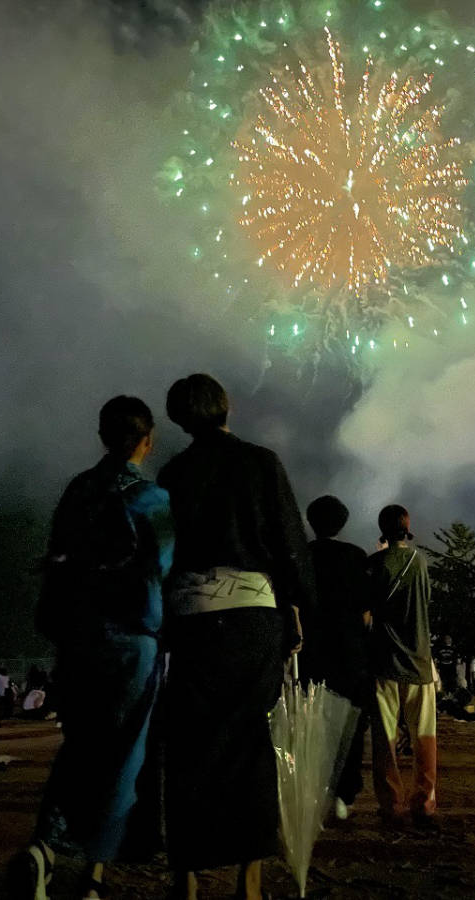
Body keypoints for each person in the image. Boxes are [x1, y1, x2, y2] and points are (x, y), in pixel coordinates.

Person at [157, 374, 313, 900]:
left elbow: (164, 552)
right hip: (252, 616)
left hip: (190, 618)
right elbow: (288, 540)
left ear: (179, 419)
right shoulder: (260, 462)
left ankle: (189, 876)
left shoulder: (173, 472)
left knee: (190, 744)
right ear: (228, 408)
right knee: (251, 742)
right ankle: (248, 879)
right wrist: (299, 606)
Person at [14, 395, 175, 900]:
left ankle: (45, 845)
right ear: (147, 442)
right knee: (124, 754)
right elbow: (165, 568)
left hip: (77, 636)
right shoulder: (154, 500)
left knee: (79, 745)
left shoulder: (78, 491)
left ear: (102, 436)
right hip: (132, 641)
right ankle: (94, 876)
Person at [366, 504, 437, 825]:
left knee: (386, 740)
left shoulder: (374, 564)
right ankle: (423, 803)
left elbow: (365, 612)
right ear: (408, 529)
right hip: (420, 662)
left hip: (384, 663)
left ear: (382, 529)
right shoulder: (421, 562)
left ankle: (392, 805)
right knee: (424, 737)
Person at [302, 494, 370, 821]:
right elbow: (367, 610)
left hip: (312, 652)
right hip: (349, 651)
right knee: (350, 725)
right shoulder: (356, 557)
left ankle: (315, 790)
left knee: (314, 723)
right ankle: (345, 793)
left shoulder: (302, 556)